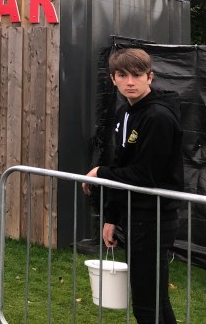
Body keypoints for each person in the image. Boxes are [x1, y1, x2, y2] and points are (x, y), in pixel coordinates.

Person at [83, 48, 183, 324]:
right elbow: (121, 162)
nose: (130, 82)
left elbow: (144, 175)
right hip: (135, 215)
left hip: (154, 218)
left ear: (150, 77)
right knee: (153, 301)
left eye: (137, 75)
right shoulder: (124, 112)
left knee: (147, 304)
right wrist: (111, 217)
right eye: (122, 75)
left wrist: (100, 172)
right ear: (113, 79)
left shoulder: (158, 117)